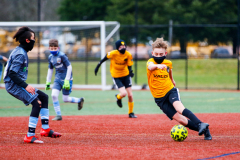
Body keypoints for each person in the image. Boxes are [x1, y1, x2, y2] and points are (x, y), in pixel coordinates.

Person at [3, 26, 61, 144]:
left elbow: (9, 67)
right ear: (27, 41)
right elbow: (12, 73)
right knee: (37, 103)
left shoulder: (20, 51)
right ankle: (29, 136)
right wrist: (25, 86)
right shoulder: (20, 53)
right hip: (14, 85)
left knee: (44, 97)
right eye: (33, 38)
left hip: (17, 83)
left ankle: (45, 129)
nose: (35, 41)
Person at [146, 38, 212, 140]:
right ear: (152, 53)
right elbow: (151, 67)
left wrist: (172, 80)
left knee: (179, 108)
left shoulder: (168, 63)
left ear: (165, 53)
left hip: (169, 90)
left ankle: (200, 123)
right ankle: (204, 129)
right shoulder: (150, 62)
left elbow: (169, 70)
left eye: (161, 54)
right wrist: (158, 66)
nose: (158, 56)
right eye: (156, 54)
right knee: (181, 120)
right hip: (159, 98)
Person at [95, 40, 137, 118]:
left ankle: (131, 113)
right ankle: (118, 97)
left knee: (130, 95)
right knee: (123, 94)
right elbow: (104, 58)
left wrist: (130, 72)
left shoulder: (128, 54)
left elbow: (129, 64)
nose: (123, 48)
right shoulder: (113, 53)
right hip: (116, 76)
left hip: (126, 75)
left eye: (124, 46)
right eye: (120, 47)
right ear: (117, 48)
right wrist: (97, 66)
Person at [45, 39, 84, 121]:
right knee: (53, 95)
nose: (53, 50)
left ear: (58, 48)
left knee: (65, 99)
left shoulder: (62, 55)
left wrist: (67, 80)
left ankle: (79, 100)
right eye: (51, 49)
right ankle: (58, 115)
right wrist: (48, 81)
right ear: (49, 48)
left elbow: (69, 67)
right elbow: (50, 69)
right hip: (57, 79)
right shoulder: (50, 57)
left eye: (55, 48)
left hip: (67, 79)